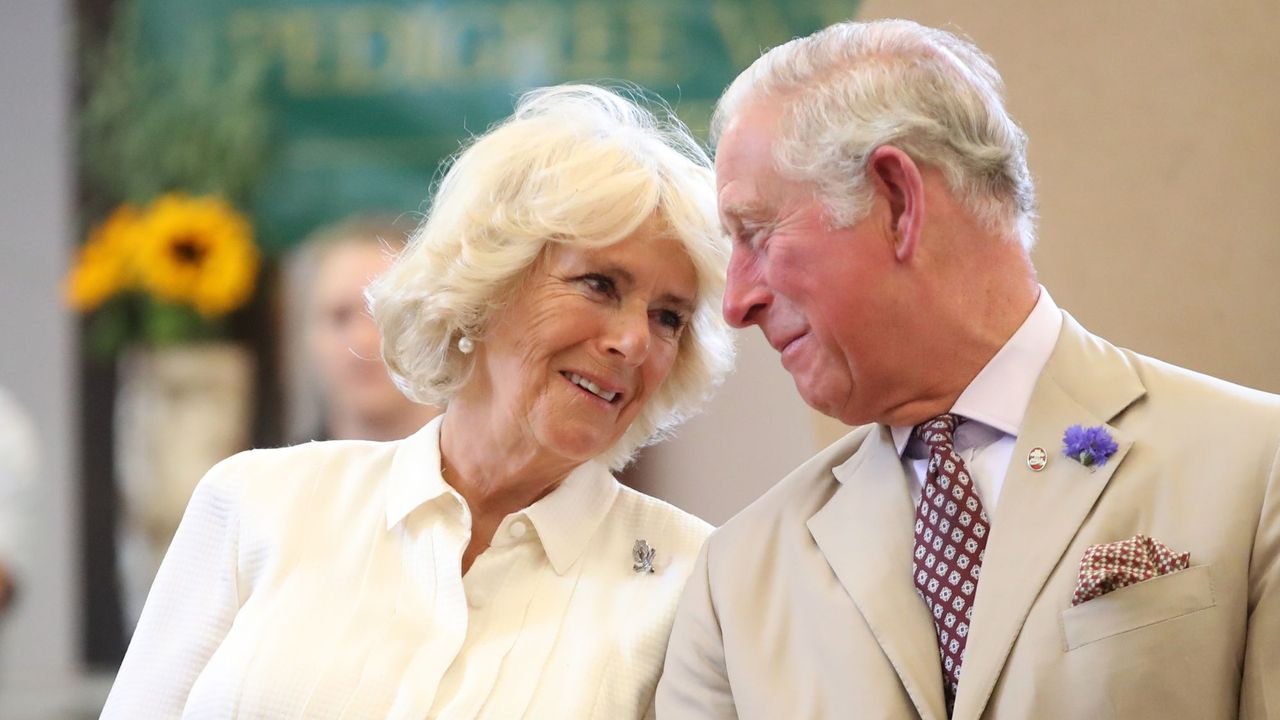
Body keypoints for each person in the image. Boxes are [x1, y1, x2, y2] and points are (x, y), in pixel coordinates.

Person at [657, 18, 1278, 720]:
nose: (738, 302)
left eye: (756, 235)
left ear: (897, 200)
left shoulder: (1257, 468)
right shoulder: (735, 579)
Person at [102, 84, 735, 719]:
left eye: (669, 318)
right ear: (489, 284)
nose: (633, 341)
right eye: (599, 284)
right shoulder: (258, 502)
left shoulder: (692, 579)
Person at [281, 215, 442, 443]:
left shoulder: (493, 474)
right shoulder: (277, 476)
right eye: (340, 316)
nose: (362, 340)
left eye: (385, 315)